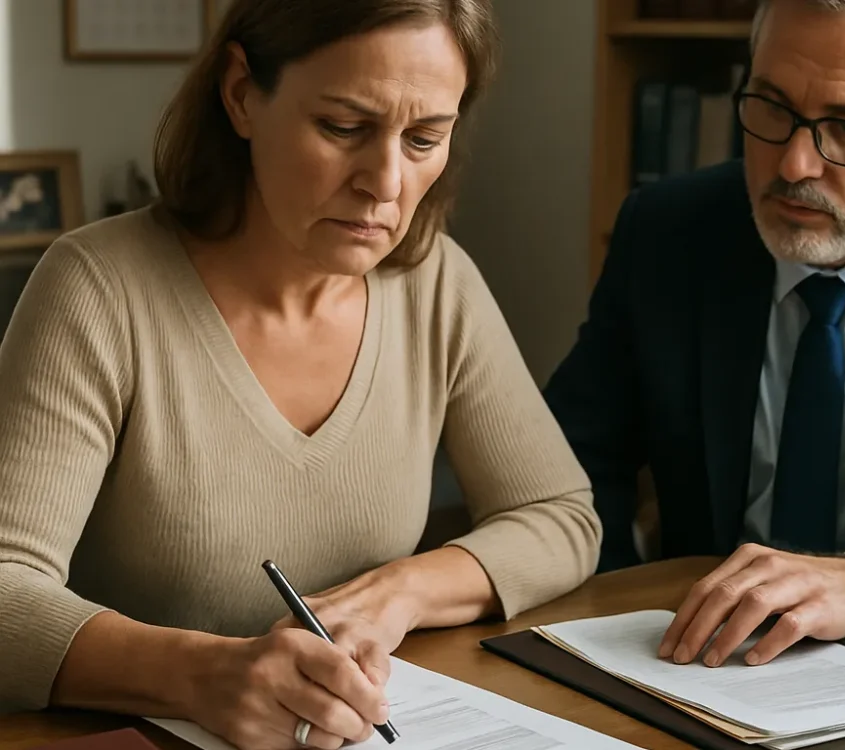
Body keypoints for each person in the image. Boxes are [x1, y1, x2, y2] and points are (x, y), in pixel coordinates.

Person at [0, 0, 601, 747]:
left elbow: (561, 516)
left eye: (424, 138)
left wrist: (398, 593)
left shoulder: (435, 280)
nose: (384, 183)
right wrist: (204, 675)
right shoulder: (98, 289)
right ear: (241, 93)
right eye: (344, 128)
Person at [544, 0, 845, 671]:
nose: (792, 166)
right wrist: (616, 621)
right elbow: (566, 465)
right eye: (771, 107)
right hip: (698, 665)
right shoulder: (671, 232)